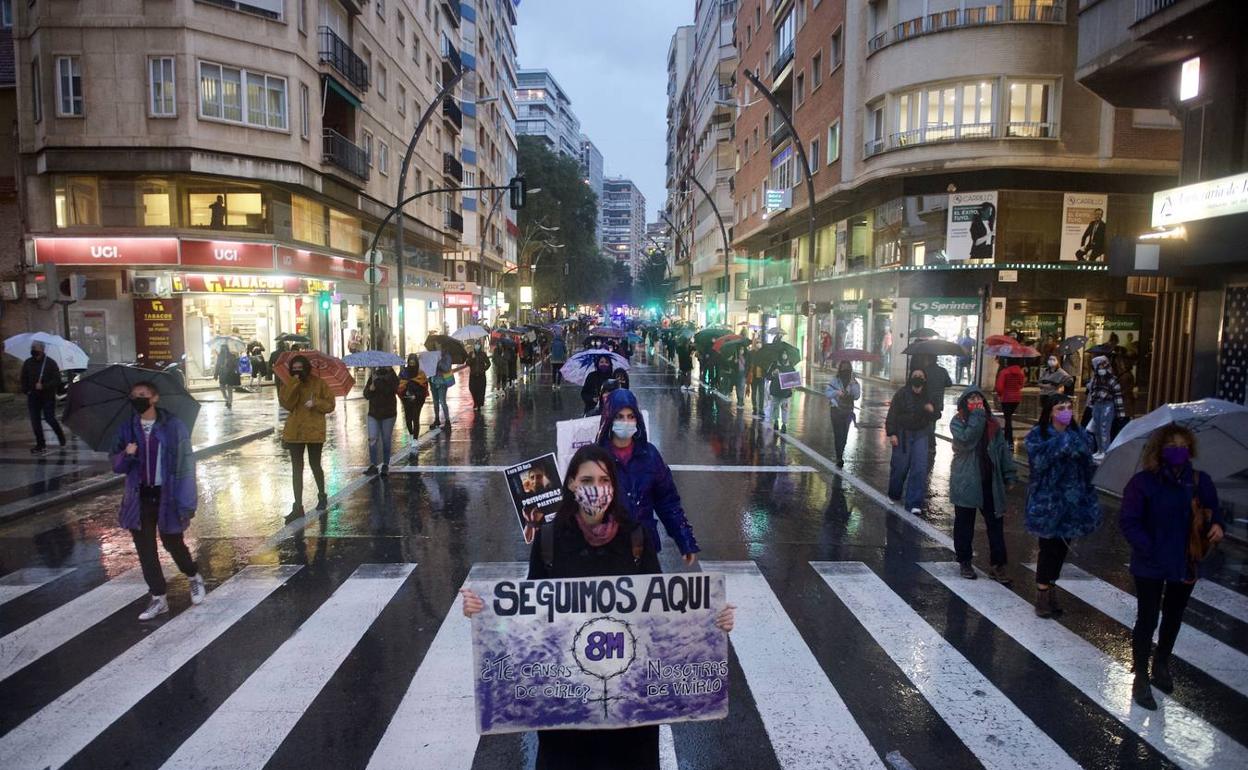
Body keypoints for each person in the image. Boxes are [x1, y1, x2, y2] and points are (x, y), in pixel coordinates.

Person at [460, 445, 734, 770]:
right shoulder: (549, 539)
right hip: (569, 707)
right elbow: (528, 617)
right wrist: (486, 613)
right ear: (572, 485)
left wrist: (711, 621)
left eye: (604, 479)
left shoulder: (636, 537)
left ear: (614, 486)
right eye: (587, 479)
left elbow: (663, 611)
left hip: (628, 709)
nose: (596, 487)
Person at [1119, 425, 1225, 710]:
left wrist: (1217, 526)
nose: (1178, 450)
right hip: (1150, 563)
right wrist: (1149, 549)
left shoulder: (1200, 481)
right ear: (1160, 449)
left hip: (1185, 561)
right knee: (1148, 617)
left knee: (1174, 615)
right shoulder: (1143, 483)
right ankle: (1140, 674)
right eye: (1171, 445)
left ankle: (1161, 663)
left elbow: (1215, 511)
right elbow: (1129, 521)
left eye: (1182, 445)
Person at [111, 380, 205, 620]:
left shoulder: (173, 427)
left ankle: (193, 575)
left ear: (154, 398)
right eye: (133, 395)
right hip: (139, 496)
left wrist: (186, 502)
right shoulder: (127, 429)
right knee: (145, 550)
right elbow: (117, 466)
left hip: (167, 496)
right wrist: (127, 454)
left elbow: (185, 465)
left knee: (173, 543)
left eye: (142, 394)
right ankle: (158, 597)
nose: (137, 399)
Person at [596, 389, 701, 561]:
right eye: (620, 416)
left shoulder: (650, 456)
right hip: (605, 551)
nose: (626, 422)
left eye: (631, 416)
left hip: (643, 547)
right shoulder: (596, 458)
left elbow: (668, 502)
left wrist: (685, 540)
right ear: (610, 419)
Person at [1023, 393, 1101, 618]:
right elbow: (1039, 463)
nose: (1066, 411)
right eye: (1060, 408)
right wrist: (1062, 443)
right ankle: (1042, 594)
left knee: (1062, 547)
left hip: (1073, 503)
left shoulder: (1080, 436)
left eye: (1068, 407)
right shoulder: (1038, 436)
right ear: (1049, 413)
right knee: (1048, 548)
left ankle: (1052, 586)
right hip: (1047, 503)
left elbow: (1088, 466)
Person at [949, 389, 1017, 583]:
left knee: (995, 524)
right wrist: (977, 417)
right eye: (971, 398)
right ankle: (964, 561)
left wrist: (1009, 474)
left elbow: (1002, 450)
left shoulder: (993, 424)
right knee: (964, 523)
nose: (976, 401)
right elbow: (966, 440)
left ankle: (998, 565)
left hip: (990, 480)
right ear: (964, 402)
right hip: (967, 480)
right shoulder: (958, 421)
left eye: (978, 397)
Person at [279, 354, 334, 518]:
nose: (297, 371)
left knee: (315, 464)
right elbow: (287, 404)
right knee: (297, 469)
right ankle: (297, 506)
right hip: (295, 432)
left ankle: (322, 496)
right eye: (294, 369)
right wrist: (294, 383)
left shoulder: (319, 383)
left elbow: (330, 405)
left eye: (300, 368)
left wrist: (315, 402)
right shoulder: (289, 384)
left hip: (314, 431)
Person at [886, 368, 936, 515]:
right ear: (910, 377)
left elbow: (936, 413)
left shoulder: (928, 395)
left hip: (921, 433)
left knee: (919, 468)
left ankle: (914, 502)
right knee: (900, 467)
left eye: (921, 376)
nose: (918, 378)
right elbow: (892, 414)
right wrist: (892, 433)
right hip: (903, 434)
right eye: (915, 375)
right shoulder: (902, 394)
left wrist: (931, 410)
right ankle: (894, 494)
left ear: (925, 379)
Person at [21, 340, 66, 455]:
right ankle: (40, 444)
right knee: (35, 421)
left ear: (42, 349)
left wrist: (44, 386)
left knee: (49, 418)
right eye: (32, 347)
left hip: (47, 396)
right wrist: (27, 390)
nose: (33, 350)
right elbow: (23, 378)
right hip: (33, 397)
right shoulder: (28, 363)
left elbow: (57, 380)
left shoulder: (50, 363)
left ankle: (60, 436)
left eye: (35, 348)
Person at [1086, 354, 1125, 458]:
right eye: (1098, 367)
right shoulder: (1095, 379)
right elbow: (1092, 392)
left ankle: (1105, 451)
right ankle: (1099, 449)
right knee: (1096, 429)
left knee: (1104, 429)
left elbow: (1117, 396)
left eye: (1102, 367)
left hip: (1107, 405)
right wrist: (1091, 404)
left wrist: (1121, 413)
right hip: (1097, 405)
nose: (1100, 370)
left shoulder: (1112, 380)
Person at [363, 366, 399, 476]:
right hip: (374, 413)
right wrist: (370, 389)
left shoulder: (393, 377)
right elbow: (366, 394)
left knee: (386, 440)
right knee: (372, 439)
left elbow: (391, 390)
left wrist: (380, 382)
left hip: (388, 414)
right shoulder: (374, 376)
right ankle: (373, 465)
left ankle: (385, 465)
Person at [825, 360, 860, 467]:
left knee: (844, 435)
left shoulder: (853, 381)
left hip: (848, 410)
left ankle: (841, 451)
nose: (845, 372)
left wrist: (853, 385)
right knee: (838, 434)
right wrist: (837, 393)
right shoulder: (835, 380)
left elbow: (857, 396)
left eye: (847, 370)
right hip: (836, 410)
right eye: (843, 369)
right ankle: (839, 456)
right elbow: (827, 393)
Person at [994, 357, 1025, 446]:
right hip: (1016, 398)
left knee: (1008, 420)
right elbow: (1021, 385)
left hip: (1006, 398)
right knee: (1008, 418)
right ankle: (1007, 438)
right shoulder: (1020, 373)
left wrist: (1000, 394)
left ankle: (1009, 441)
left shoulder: (1004, 372)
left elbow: (999, 387)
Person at [764, 352, 797, 433]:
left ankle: (784, 424)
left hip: (786, 392)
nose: (784, 355)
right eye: (783, 353)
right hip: (776, 390)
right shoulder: (774, 364)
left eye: (786, 354)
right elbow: (768, 376)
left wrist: (793, 385)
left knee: (785, 408)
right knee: (775, 407)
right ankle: (775, 421)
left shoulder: (790, 366)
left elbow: (794, 378)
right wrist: (773, 373)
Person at [397, 354, 428, 437]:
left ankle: (415, 438)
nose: (412, 364)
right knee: (408, 420)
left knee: (415, 418)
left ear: (416, 363)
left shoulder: (421, 373)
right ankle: (411, 434)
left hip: (418, 400)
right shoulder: (403, 372)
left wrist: (416, 396)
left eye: (413, 363)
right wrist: (404, 394)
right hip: (406, 399)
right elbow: (399, 385)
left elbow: (424, 388)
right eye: (410, 363)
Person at [429, 341, 453, 430]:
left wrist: (439, 362)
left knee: (442, 401)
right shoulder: (433, 355)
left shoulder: (447, 356)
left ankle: (447, 421)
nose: (436, 345)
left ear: (442, 345)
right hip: (433, 380)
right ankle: (437, 419)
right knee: (435, 402)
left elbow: (447, 368)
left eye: (438, 344)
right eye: (435, 344)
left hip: (442, 382)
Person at [213, 344, 240, 409]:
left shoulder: (232, 356)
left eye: (225, 348)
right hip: (222, 374)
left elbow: (236, 365)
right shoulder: (220, 356)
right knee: (222, 388)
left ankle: (230, 402)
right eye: (222, 348)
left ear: (227, 349)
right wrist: (216, 374)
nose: (224, 350)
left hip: (230, 374)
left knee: (229, 389)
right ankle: (227, 399)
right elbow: (217, 365)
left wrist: (236, 359)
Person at [466, 341, 490, 412]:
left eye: (478, 345)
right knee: (472, 389)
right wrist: (472, 358)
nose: (477, 346)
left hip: (481, 376)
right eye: (476, 345)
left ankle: (479, 404)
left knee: (480, 391)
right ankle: (475, 401)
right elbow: (467, 363)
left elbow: (488, 363)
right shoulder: (471, 354)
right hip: (473, 375)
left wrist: (483, 369)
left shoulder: (483, 354)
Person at [746, 338, 766, 416]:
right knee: (754, 392)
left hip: (761, 376)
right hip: (753, 375)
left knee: (762, 393)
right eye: (757, 342)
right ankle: (755, 407)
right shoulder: (751, 353)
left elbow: (766, 364)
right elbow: (747, 364)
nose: (758, 344)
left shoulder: (764, 353)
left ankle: (761, 409)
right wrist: (746, 375)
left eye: (760, 342)